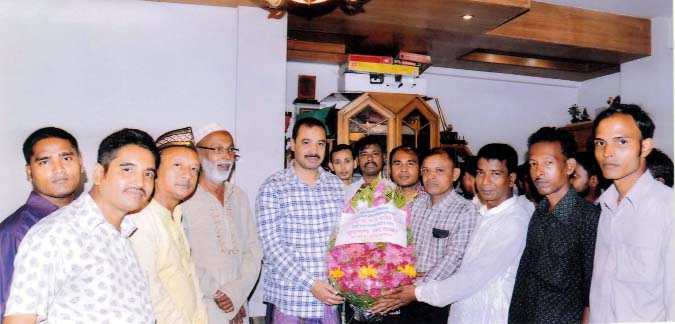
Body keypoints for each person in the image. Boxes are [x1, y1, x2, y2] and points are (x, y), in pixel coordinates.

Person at [3, 128, 158, 324]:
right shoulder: (56, 233)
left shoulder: (122, 235)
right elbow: (19, 320)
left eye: (149, 174)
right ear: (99, 173)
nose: (140, 182)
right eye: (127, 170)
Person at [389, 143, 529, 323]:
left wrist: (416, 288)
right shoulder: (482, 213)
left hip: (457, 304)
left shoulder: (477, 213)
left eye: (495, 173)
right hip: (423, 296)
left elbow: (458, 260)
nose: (485, 181)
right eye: (480, 173)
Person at [372, 147, 478, 324]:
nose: (431, 176)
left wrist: (416, 288)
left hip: (437, 302)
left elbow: (454, 257)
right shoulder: (415, 205)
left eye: (439, 170)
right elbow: (399, 245)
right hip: (406, 296)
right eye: (426, 171)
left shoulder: (466, 210)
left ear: (455, 174)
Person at [589, 104, 674, 323]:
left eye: (622, 141)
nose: (607, 152)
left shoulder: (667, 208)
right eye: (600, 143)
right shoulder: (606, 206)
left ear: (645, 147)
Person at [256, 117, 344, 323]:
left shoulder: (336, 185)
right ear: (292, 144)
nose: (314, 150)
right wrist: (312, 284)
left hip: (328, 301)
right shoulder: (273, 187)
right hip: (290, 301)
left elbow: (342, 239)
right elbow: (272, 246)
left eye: (320, 144)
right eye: (306, 142)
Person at [509, 127, 599, 324]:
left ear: (569, 166)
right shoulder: (539, 213)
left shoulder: (588, 217)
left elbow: (592, 288)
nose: (538, 172)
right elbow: (524, 275)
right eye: (533, 164)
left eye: (548, 163)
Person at [181, 123, 263, 324]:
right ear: (197, 154)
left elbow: (253, 250)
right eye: (217, 149)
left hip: (239, 304)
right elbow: (182, 256)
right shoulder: (183, 198)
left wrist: (235, 294)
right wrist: (220, 295)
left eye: (230, 149)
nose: (226, 156)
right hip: (202, 304)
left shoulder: (239, 196)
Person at [0, 127, 84, 319]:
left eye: (66, 158)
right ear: (29, 172)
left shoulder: (92, 221)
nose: (59, 169)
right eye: (45, 161)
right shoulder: (15, 231)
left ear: (81, 165)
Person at [128, 127, 208, 324]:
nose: (187, 175)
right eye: (177, 165)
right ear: (154, 171)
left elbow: (191, 280)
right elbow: (150, 291)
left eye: (194, 169)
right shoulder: (141, 218)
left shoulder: (176, 214)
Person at [345, 136, 393, 200]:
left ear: (383, 157)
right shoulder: (349, 192)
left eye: (375, 153)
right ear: (357, 160)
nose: (370, 158)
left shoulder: (393, 190)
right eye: (364, 154)